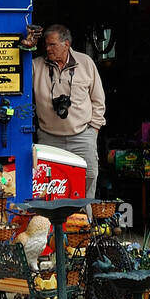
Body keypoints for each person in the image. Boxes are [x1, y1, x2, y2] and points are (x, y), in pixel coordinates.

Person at [32, 24, 106, 200]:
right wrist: (27, 46)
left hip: (82, 135)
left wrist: (93, 130)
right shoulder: (36, 66)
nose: (47, 49)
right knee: (48, 184)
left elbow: (98, 100)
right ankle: (52, 225)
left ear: (66, 44)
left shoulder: (85, 63)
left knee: (89, 177)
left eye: (52, 45)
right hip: (49, 137)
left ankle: (83, 221)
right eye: (46, 44)